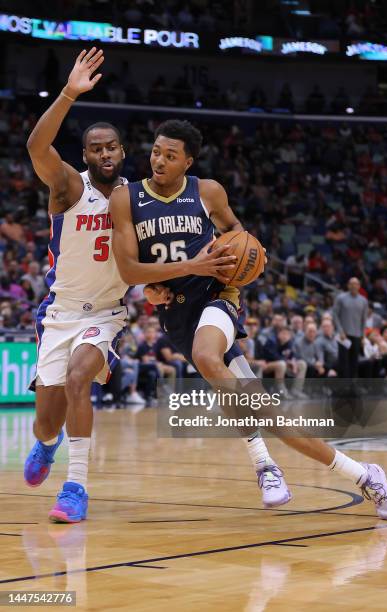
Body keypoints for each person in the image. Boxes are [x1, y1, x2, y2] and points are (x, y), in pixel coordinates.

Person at [110, 119, 387, 520]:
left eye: (170, 155)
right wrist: (157, 282)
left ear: (188, 162)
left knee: (209, 359)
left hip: (216, 299)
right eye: (156, 151)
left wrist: (236, 266)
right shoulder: (126, 198)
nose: (159, 160)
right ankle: (362, 474)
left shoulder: (207, 191)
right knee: (269, 414)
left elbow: (239, 236)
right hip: (175, 313)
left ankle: (264, 464)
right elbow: (128, 269)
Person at [23, 51, 235, 523]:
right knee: (46, 419)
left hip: (106, 313)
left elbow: (148, 257)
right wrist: (69, 93)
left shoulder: (134, 199)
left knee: (81, 378)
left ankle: (76, 486)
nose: (105, 153)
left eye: (112, 147)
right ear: (85, 155)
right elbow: (37, 148)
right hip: (60, 312)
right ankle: (47, 442)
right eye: (96, 147)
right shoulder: (68, 189)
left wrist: (153, 289)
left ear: (122, 152)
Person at [333, 277, 368, 379]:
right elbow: (335, 315)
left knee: (354, 362)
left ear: (359, 286)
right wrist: (340, 331)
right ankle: (342, 388)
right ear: (348, 285)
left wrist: (363, 335)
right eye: (351, 284)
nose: (353, 286)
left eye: (356, 284)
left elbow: (364, 319)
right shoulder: (340, 298)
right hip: (344, 335)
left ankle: (352, 387)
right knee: (343, 362)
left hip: (357, 335)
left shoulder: (364, 300)